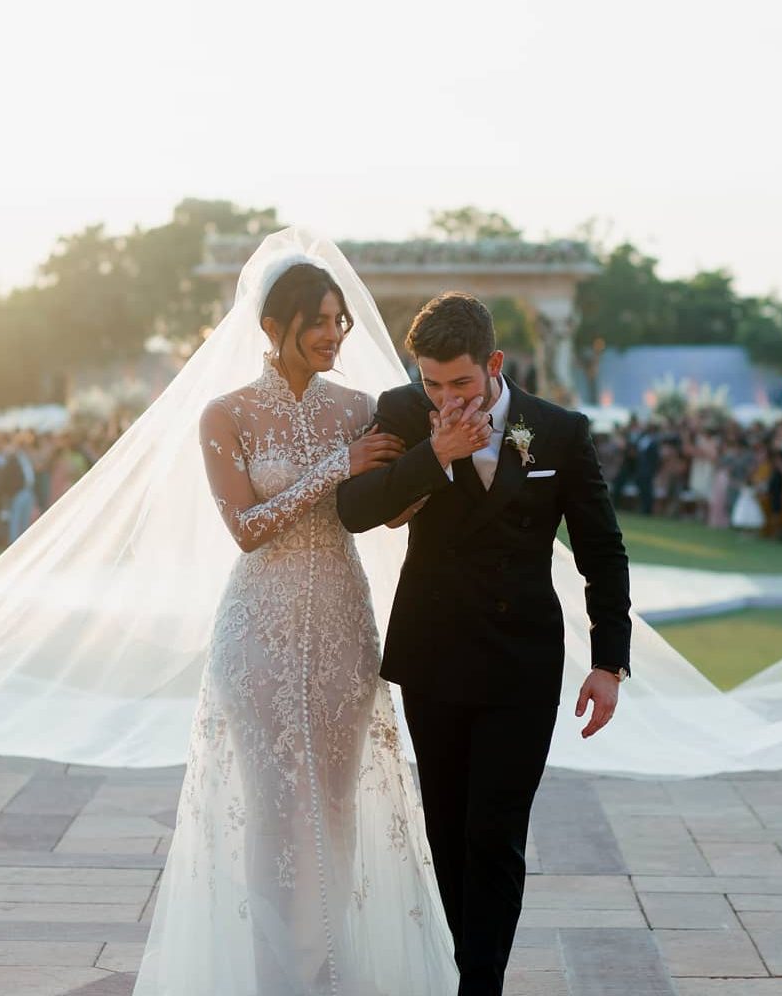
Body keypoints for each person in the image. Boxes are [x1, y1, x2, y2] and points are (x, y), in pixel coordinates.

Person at [132, 259, 460, 994]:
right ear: (273, 326)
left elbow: (388, 509)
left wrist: (430, 465)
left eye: (339, 319)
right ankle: (275, 973)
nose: (333, 334)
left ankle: (330, 967)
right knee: (275, 809)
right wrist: (334, 468)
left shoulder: (362, 406)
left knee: (339, 804)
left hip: (344, 620)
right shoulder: (226, 414)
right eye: (317, 320)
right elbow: (246, 528)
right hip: (259, 629)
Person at [336, 292, 631, 996]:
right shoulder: (405, 414)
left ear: (493, 364)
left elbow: (602, 550)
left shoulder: (558, 431)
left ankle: (480, 986)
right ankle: (463, 970)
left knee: (494, 834)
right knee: (446, 830)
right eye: (431, 383)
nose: (445, 398)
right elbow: (354, 511)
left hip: (521, 664)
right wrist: (434, 454)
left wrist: (608, 661)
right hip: (433, 653)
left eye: (460, 383)